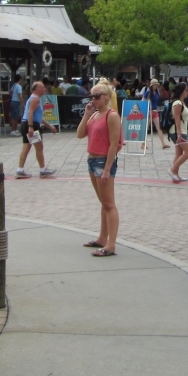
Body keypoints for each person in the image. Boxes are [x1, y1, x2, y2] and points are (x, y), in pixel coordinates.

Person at [76, 83, 122, 257]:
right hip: (92, 159)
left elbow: (114, 144)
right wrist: (86, 114)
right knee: (103, 202)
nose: (93, 100)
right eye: (91, 96)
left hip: (103, 161)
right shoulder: (94, 115)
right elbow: (80, 134)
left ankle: (111, 244)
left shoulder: (112, 116)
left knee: (109, 204)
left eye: (96, 96)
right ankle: (103, 238)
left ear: (106, 97)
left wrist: (107, 168)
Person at [17, 81, 56, 178]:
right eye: (42, 88)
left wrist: (49, 126)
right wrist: (31, 127)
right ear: (37, 89)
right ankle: (43, 169)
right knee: (39, 147)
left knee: (26, 147)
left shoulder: (33, 99)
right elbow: (30, 113)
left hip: (27, 123)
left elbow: (38, 117)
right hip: (31, 125)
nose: (44, 89)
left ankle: (20, 169)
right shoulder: (35, 99)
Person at [167, 83, 188, 182]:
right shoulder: (178, 103)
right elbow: (176, 117)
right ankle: (172, 170)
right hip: (177, 131)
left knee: (179, 153)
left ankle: (175, 176)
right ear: (181, 91)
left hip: (181, 130)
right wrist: (179, 133)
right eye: (186, 90)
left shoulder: (181, 102)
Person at [144, 78, 170, 150]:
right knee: (146, 128)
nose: (156, 86)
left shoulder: (157, 92)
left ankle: (163, 143)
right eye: (155, 85)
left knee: (159, 128)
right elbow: (143, 100)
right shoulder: (148, 92)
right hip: (149, 111)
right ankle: (143, 143)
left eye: (156, 85)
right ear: (152, 85)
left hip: (155, 111)